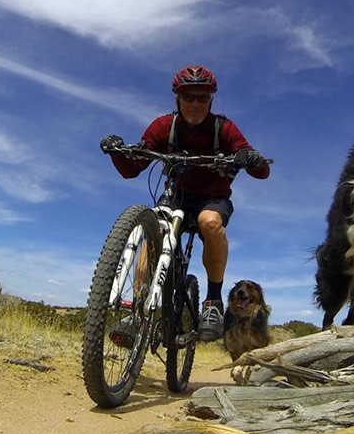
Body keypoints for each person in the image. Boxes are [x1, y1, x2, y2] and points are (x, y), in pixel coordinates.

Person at [100, 65, 270, 341]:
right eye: (188, 97)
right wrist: (117, 150)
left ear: (211, 99)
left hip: (213, 198)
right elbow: (132, 168)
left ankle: (213, 302)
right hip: (175, 195)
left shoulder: (223, 128)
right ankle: (139, 310)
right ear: (177, 98)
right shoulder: (163, 127)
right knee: (153, 228)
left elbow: (260, 170)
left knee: (210, 222)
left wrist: (251, 158)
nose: (194, 103)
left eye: (202, 97)